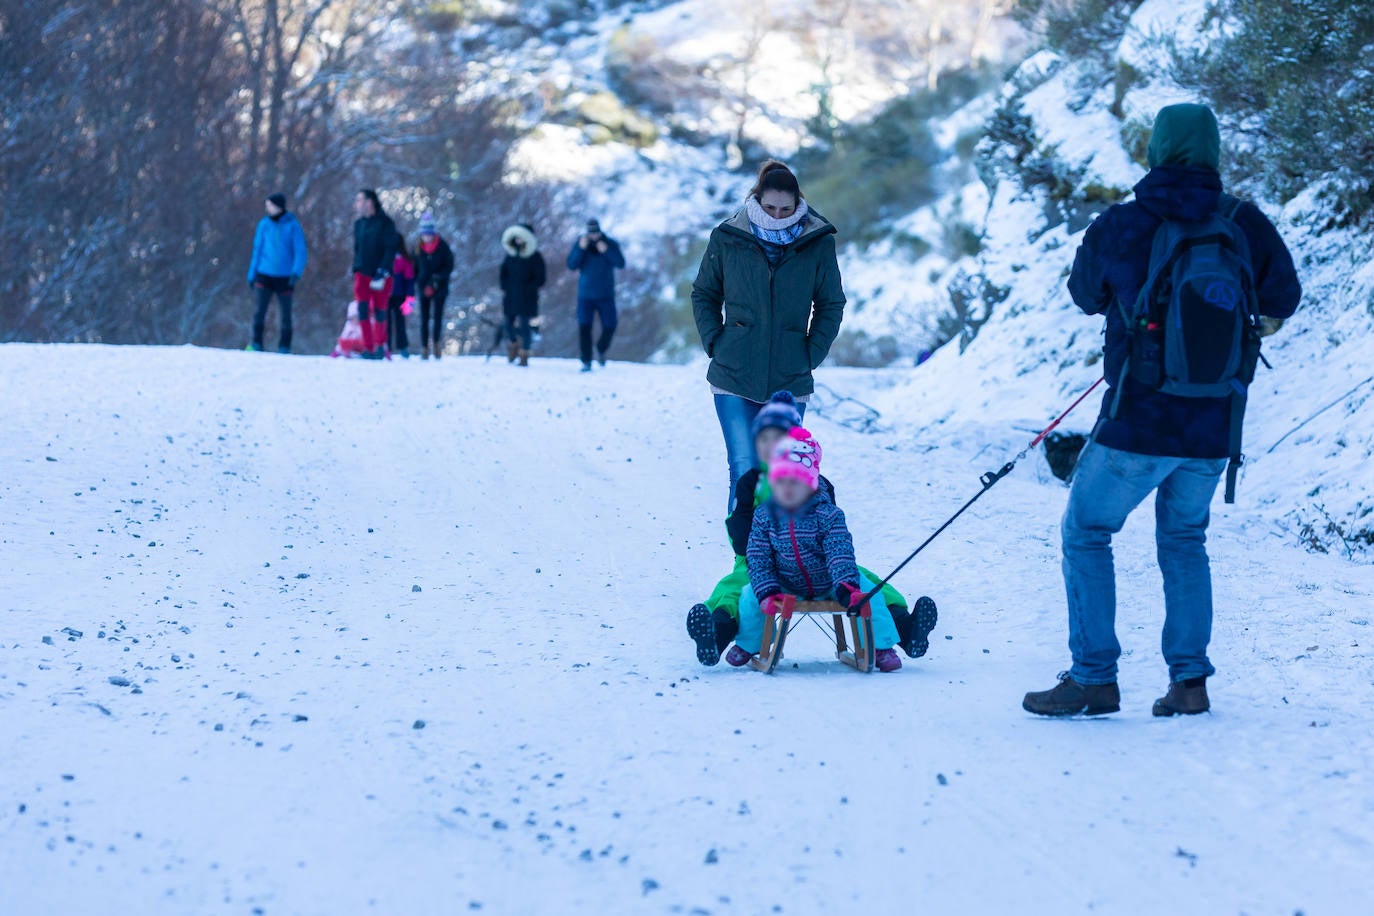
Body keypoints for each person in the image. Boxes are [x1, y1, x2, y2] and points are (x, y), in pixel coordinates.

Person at [1023, 103, 1301, 718]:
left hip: (1137, 422)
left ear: (1156, 151)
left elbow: (1083, 296)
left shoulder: (1124, 224)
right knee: (1184, 540)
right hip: (1213, 427)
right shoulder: (1243, 222)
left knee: (1087, 532)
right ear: (1214, 151)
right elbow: (1286, 296)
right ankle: (1190, 683)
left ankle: (1094, 678)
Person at [685, 391, 938, 667]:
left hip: (822, 565)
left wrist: (844, 578)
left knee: (870, 584)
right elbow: (742, 525)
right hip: (762, 560)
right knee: (735, 591)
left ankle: (906, 630)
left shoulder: (818, 484)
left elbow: (835, 540)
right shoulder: (752, 483)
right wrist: (763, 554)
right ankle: (716, 634)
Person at [692, 160, 846, 508]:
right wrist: (716, 342)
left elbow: (831, 303)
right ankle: (745, 556)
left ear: (798, 204)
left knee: (782, 470)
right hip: (733, 373)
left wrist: (811, 353)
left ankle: (777, 554)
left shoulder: (817, 243)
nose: (777, 216)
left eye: (786, 209)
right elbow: (704, 293)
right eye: (770, 207)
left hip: (789, 376)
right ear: (757, 200)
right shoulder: (728, 237)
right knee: (744, 469)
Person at [729, 427, 905, 673]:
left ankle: (881, 646)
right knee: (748, 595)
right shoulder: (764, 516)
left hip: (830, 582)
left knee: (869, 593)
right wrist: (766, 591)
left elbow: (839, 553)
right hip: (785, 583)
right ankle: (751, 643)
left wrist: (846, 588)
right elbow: (759, 559)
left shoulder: (828, 515)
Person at [245, 192, 307, 353]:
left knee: (285, 314)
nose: (267, 208)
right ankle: (256, 343)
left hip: (285, 277)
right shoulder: (264, 225)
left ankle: (284, 346)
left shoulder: (293, 225)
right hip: (263, 275)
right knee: (259, 311)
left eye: (270, 205)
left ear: (278, 206)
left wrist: (296, 272)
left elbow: (300, 251)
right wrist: (252, 274)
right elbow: (257, 250)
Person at [566, 218, 625, 371]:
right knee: (584, 327)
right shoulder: (581, 244)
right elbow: (571, 265)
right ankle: (586, 361)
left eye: (596, 231)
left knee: (610, 326)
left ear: (600, 230)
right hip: (585, 295)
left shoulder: (610, 244)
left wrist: (606, 251)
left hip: (606, 294)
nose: (593, 235)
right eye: (591, 232)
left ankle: (601, 348)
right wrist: (580, 249)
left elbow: (620, 263)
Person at [352, 189, 398, 360]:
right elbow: (357, 249)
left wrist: (384, 269)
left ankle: (380, 346)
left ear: (369, 201)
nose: (357, 204)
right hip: (361, 272)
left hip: (381, 274)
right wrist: (355, 268)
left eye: (360, 200)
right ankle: (367, 347)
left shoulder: (386, 223)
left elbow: (391, 248)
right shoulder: (359, 224)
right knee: (362, 309)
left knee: (380, 310)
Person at [500, 223, 546, 367]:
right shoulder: (510, 255)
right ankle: (514, 345)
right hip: (511, 297)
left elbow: (541, 278)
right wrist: (506, 287)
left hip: (527, 298)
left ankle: (524, 354)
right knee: (508, 325)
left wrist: (529, 288)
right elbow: (503, 274)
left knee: (525, 326)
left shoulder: (535, 256)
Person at [414, 213, 454, 360]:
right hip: (423, 288)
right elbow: (415, 269)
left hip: (440, 288)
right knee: (424, 319)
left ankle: (437, 346)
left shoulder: (443, 247)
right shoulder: (417, 248)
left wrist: (436, 280)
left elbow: (448, 267)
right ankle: (424, 347)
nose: (426, 237)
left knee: (437, 317)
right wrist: (421, 284)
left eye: (428, 234)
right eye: (424, 234)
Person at [387, 237, 416, 359]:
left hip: (400, 296)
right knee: (386, 323)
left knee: (400, 323)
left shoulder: (405, 260)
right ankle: (386, 347)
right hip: (386, 295)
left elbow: (409, 280)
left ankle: (403, 347)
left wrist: (410, 298)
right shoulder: (385, 258)